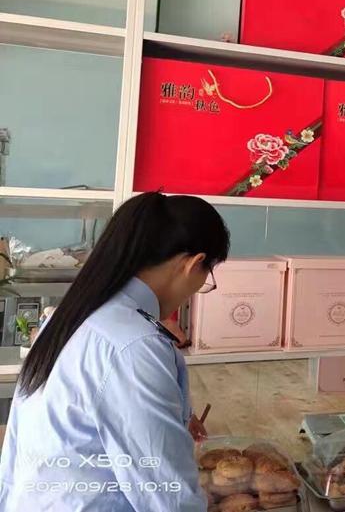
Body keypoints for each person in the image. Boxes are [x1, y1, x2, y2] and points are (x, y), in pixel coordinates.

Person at [0, 192, 230, 511]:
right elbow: (169, 495)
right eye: (207, 277)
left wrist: (172, 415)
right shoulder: (135, 344)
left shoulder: (66, 315)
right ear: (192, 265)